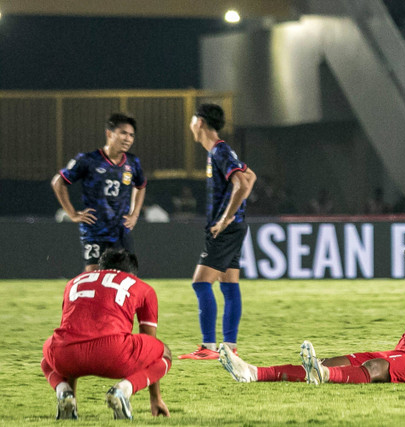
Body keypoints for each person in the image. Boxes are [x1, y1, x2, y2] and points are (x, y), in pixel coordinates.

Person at [218, 233, 405, 385]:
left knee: (374, 369)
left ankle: (323, 376)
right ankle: (254, 372)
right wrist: (399, 351)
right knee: (332, 359)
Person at [40, 249, 171, 420]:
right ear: (132, 273)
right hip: (113, 354)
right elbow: (149, 340)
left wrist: (72, 394)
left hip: (66, 355)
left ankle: (64, 392)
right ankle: (123, 390)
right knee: (164, 352)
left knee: (47, 359)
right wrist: (155, 398)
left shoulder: (74, 282)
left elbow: (70, 333)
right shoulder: (142, 287)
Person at [179, 103, 257, 360]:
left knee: (201, 283)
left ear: (199, 122)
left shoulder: (218, 151)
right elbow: (251, 177)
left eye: (192, 119)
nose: (190, 124)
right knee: (229, 285)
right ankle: (229, 346)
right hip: (233, 227)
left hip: (225, 229)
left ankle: (209, 347)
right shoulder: (222, 151)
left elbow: (241, 183)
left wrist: (225, 219)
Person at [51, 113, 146, 272]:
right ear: (109, 133)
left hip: (121, 230)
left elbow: (141, 185)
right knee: (93, 275)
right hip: (95, 230)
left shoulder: (132, 162)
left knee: (127, 277)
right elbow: (58, 182)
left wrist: (134, 214)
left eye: (131, 135)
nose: (128, 138)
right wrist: (73, 214)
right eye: (123, 133)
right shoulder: (88, 160)